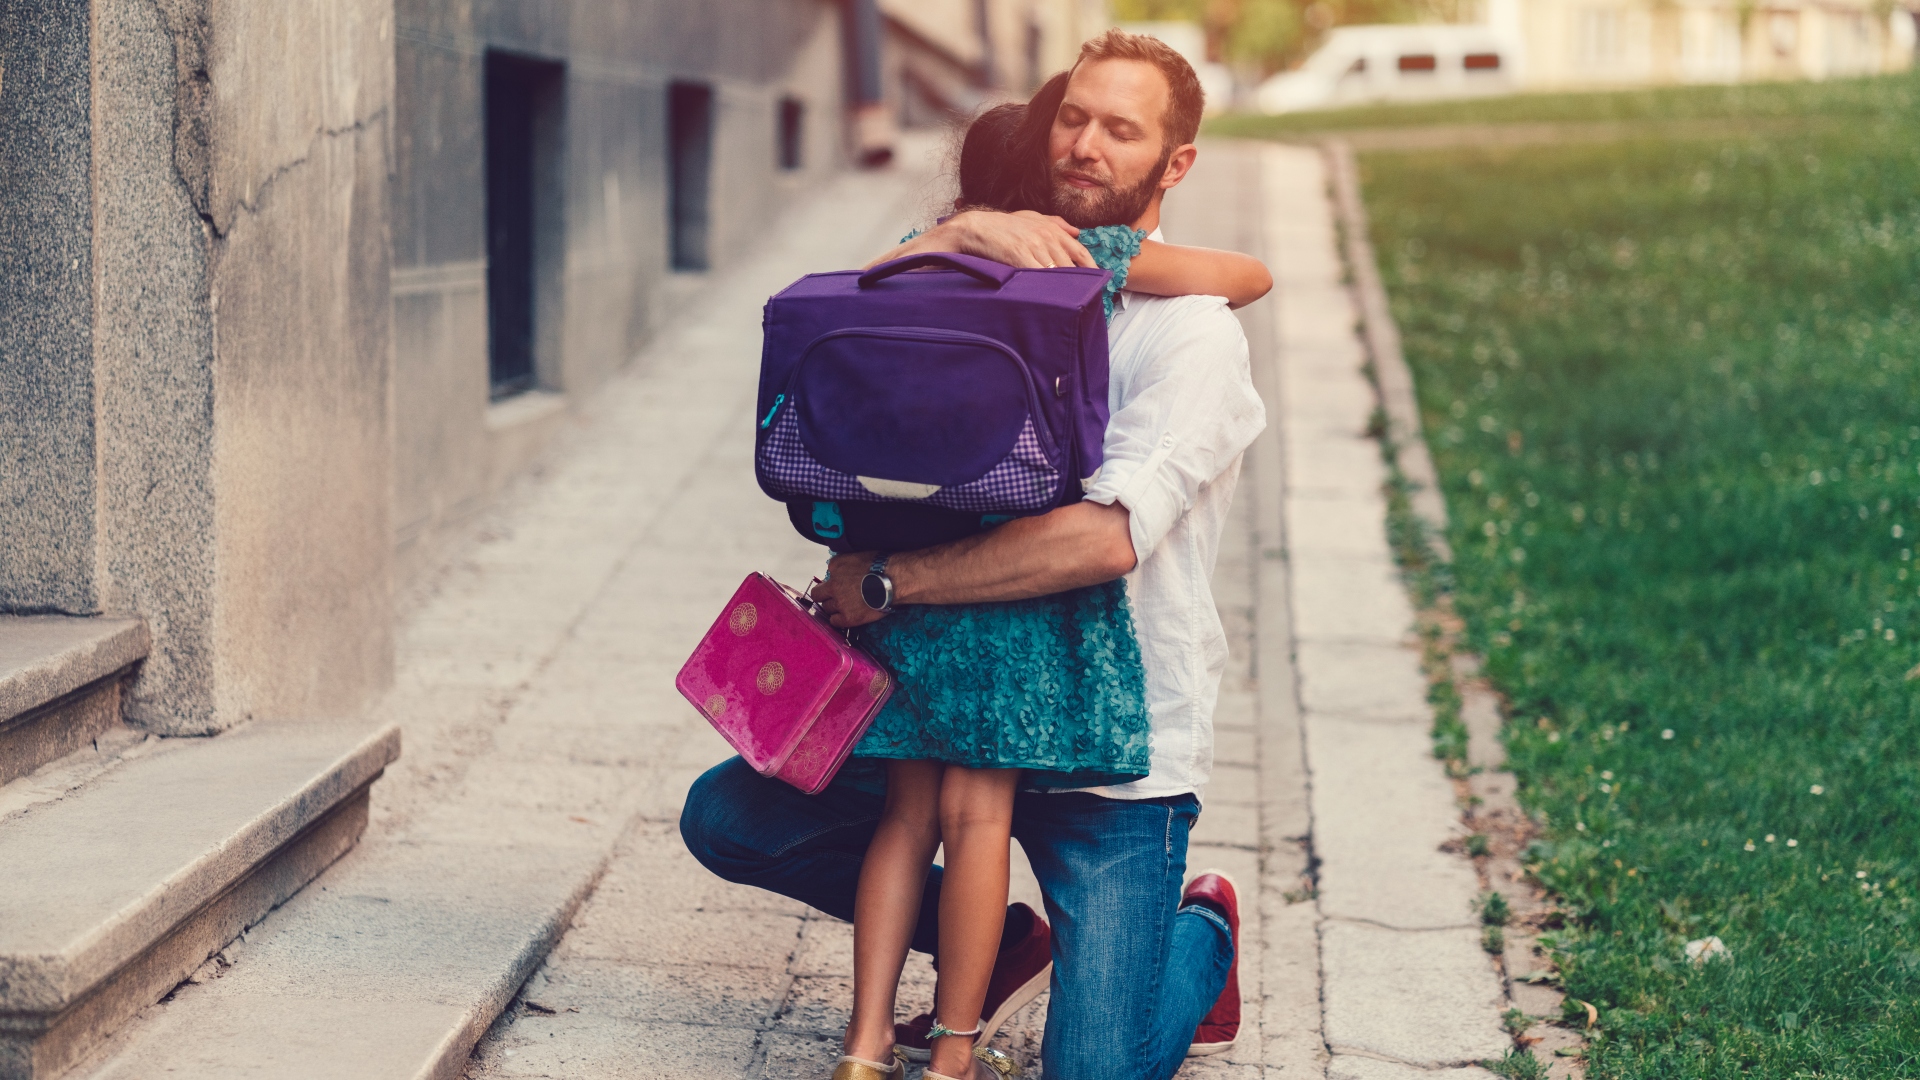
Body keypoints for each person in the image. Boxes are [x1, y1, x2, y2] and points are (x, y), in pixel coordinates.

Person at [682, 30, 1266, 1080]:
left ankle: (1203, 932)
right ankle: (996, 946)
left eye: (1119, 131)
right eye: (1073, 118)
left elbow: (1103, 539)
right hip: (952, 700)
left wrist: (888, 583)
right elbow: (856, 329)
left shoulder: (1190, 336)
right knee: (730, 816)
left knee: (1095, 1070)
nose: (1084, 145)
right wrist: (961, 238)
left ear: (1174, 164)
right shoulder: (973, 264)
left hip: (1115, 755)